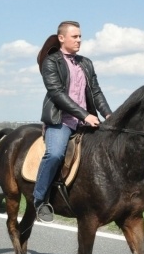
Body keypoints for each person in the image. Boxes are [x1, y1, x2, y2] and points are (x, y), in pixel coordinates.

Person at [33, 21, 112, 222]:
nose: (79, 40)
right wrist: (84, 115)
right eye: (74, 36)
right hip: (62, 121)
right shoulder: (51, 62)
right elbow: (57, 93)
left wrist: (108, 114)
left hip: (86, 122)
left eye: (80, 37)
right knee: (55, 154)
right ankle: (40, 199)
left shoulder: (86, 63)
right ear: (62, 38)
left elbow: (96, 91)